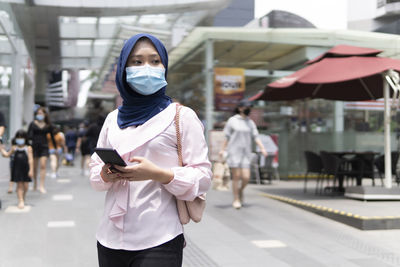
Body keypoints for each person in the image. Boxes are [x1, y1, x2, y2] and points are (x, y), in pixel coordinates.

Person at [89, 33, 211, 267]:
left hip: (159, 237)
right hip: (110, 238)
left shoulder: (181, 117)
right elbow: (95, 173)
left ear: (164, 65)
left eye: (155, 61)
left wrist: (159, 174)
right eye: (137, 62)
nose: (147, 68)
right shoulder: (112, 119)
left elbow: (203, 176)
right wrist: (106, 173)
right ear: (124, 69)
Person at [219, 100, 268, 209]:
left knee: (246, 177)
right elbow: (226, 136)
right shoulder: (232, 120)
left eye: (250, 107)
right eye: (247, 107)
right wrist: (222, 150)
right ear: (240, 108)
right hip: (234, 152)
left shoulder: (250, 122)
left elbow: (256, 136)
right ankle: (236, 199)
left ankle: (240, 191)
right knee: (236, 177)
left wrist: (262, 148)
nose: (248, 109)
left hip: (246, 153)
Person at [0, 130, 33, 209]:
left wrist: (31, 170)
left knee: (26, 186)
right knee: (19, 185)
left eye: (22, 138)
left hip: (26, 168)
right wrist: (1, 149)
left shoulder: (28, 148)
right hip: (17, 168)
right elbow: (7, 154)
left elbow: (31, 159)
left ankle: (23, 197)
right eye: (18, 138)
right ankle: (20, 200)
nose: (20, 139)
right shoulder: (14, 148)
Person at [28, 106, 55, 193]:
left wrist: (55, 147)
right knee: (35, 167)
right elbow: (28, 136)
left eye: (41, 113)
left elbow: (52, 137)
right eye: (38, 113)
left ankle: (41, 185)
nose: (39, 115)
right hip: (34, 147)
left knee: (43, 165)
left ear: (45, 114)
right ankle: (35, 183)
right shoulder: (32, 124)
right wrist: (28, 145)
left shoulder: (48, 125)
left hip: (44, 146)